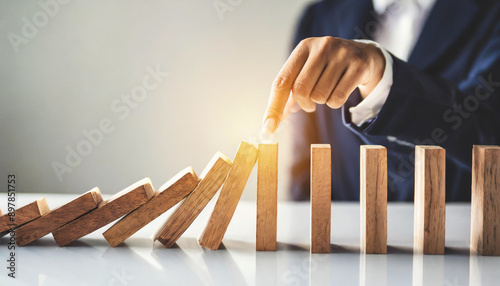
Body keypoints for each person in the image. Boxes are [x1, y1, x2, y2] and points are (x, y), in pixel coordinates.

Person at [261, 0, 500, 201]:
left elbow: (489, 129)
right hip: (341, 249)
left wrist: (383, 76)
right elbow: (305, 166)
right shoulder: (320, 17)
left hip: (462, 247)